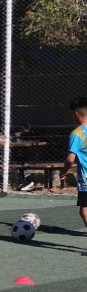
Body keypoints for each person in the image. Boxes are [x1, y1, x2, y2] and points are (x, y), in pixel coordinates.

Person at [68, 97, 87, 233]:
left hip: (86, 181)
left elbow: (70, 159)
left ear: (75, 114)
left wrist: (63, 171)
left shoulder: (77, 133)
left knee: (84, 210)